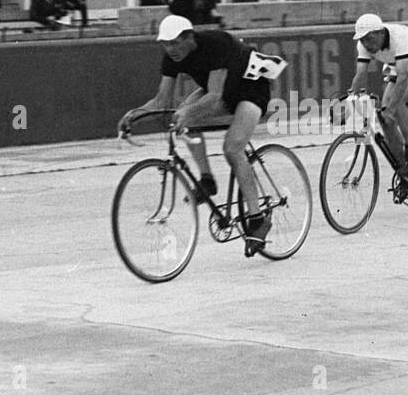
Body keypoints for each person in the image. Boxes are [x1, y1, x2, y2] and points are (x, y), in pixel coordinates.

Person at [118, 15, 286, 255]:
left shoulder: (214, 43)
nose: (170, 49)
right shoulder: (172, 58)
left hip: (251, 88)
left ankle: (257, 218)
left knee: (232, 148)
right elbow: (161, 101)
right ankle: (207, 179)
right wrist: (134, 115)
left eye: (175, 43)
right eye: (165, 44)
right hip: (220, 90)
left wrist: (187, 112)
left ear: (190, 37)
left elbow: (215, 96)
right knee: (181, 118)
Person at [347, 14, 408, 181]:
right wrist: (350, 98)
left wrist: (391, 109)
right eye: (363, 40)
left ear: (380, 33)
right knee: (385, 117)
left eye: (370, 39)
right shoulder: (364, 44)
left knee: (395, 101)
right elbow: (360, 74)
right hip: (402, 71)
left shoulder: (398, 37)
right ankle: (404, 170)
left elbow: (402, 79)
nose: (367, 45)